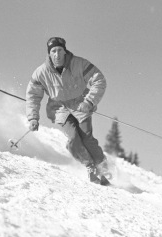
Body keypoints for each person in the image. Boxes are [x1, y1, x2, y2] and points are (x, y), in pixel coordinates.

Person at [26, 36, 111, 184]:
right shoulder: (41, 73)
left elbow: (99, 80)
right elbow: (33, 95)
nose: (57, 54)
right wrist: (33, 118)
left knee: (87, 138)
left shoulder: (79, 64)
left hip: (80, 104)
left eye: (60, 50)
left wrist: (90, 101)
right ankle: (89, 166)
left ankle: (102, 166)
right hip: (59, 108)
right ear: (49, 54)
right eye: (53, 51)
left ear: (65, 51)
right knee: (73, 139)